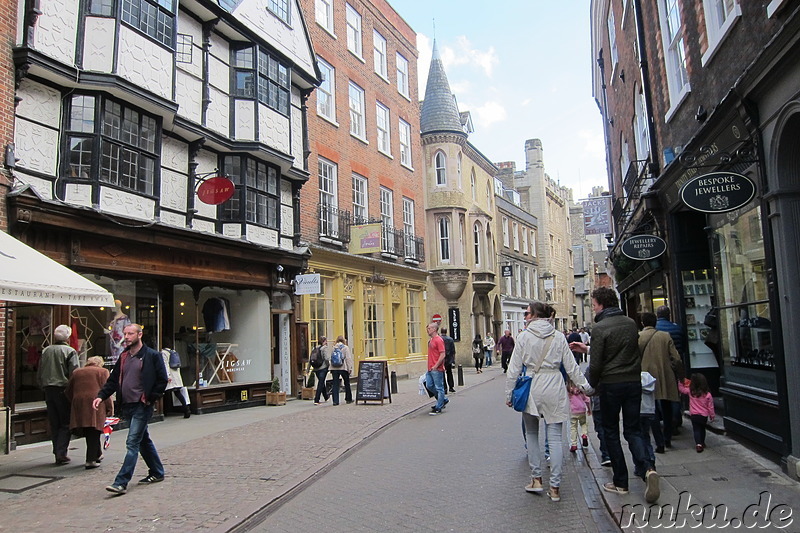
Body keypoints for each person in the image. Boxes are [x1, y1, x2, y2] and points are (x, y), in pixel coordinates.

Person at [570, 287, 660, 504]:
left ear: (601, 303)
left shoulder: (600, 327)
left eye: (593, 304)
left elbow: (598, 363)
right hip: (633, 383)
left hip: (611, 385)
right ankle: (647, 468)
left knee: (610, 431)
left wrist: (590, 386)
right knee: (633, 430)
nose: (592, 307)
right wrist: (588, 348)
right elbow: (627, 351)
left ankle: (621, 482)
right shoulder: (630, 323)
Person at [506, 301, 593, 503]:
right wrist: (586, 388)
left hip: (532, 385)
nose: (525, 316)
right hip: (554, 383)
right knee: (554, 438)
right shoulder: (558, 337)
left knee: (532, 434)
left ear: (535, 315)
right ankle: (555, 487)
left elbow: (514, 369)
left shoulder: (523, 337)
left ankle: (536, 479)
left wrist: (509, 394)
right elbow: (571, 367)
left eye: (527, 313)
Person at [93, 323, 168, 495]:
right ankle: (157, 472)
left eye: (130, 334)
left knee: (132, 442)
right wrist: (100, 396)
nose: (126, 337)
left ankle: (121, 482)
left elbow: (162, 380)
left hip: (142, 405)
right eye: (125, 334)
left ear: (139, 335)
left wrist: (150, 398)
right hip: (127, 405)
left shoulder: (152, 356)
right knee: (143, 440)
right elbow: (113, 381)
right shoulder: (124, 357)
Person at [639, 312, 681, 452]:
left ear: (643, 323)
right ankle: (667, 438)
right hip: (665, 375)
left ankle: (659, 442)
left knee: (652, 410)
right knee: (667, 406)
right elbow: (677, 358)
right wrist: (677, 372)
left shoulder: (638, 337)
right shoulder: (665, 336)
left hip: (646, 378)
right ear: (655, 322)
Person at [38, 324, 79, 465]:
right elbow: (74, 373)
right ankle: (61, 453)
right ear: (68, 337)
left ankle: (57, 451)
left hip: (49, 389)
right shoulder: (70, 351)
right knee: (65, 422)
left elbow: (40, 371)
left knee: (54, 421)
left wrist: (43, 385)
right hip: (63, 389)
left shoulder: (46, 351)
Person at [65, 356, 112, 469]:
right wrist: (110, 408)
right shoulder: (102, 371)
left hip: (79, 403)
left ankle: (97, 454)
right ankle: (90, 459)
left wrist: (75, 400)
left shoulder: (77, 372)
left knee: (89, 429)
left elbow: (68, 390)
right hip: (96, 402)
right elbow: (107, 390)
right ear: (100, 363)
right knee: (94, 429)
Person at [655, 305, 686, 431]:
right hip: (674, 366)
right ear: (669, 315)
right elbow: (682, 348)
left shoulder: (656, 330)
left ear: (657, 316)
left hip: (660, 366)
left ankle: (666, 419)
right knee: (674, 394)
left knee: (661, 394)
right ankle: (675, 419)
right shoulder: (677, 328)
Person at [678, 374, 715, 452]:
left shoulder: (691, 392)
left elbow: (682, 389)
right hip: (703, 416)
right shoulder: (708, 395)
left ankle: (698, 444)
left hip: (694, 415)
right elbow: (710, 407)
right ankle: (702, 442)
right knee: (702, 429)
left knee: (696, 430)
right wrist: (712, 415)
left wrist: (680, 382)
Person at [425, 322, 448, 415]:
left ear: (434, 329)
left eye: (429, 328)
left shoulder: (439, 340)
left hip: (436, 368)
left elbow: (442, 354)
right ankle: (443, 399)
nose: (428, 330)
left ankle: (439, 406)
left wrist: (436, 365)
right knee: (429, 385)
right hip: (430, 368)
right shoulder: (431, 340)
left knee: (439, 388)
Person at [161, 346, 191, 418]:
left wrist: (168, 376)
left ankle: (165, 411)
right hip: (176, 375)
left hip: (170, 376)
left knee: (164, 392)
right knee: (177, 393)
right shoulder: (173, 351)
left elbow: (165, 365)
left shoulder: (164, 353)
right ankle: (186, 408)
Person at [567, 379, 591, 453]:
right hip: (582, 410)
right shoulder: (581, 391)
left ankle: (574, 444)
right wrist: (589, 409)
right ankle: (584, 435)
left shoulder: (568, 392)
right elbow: (587, 400)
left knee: (573, 427)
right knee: (583, 424)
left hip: (573, 412)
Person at [639, 371, 657, 466]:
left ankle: (643, 463)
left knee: (638, 437)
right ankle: (651, 457)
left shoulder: (636, 379)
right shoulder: (650, 379)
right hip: (649, 411)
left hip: (639, 411)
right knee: (646, 436)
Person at [330, 335, 354, 405]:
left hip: (334, 368)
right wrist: (350, 368)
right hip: (343, 367)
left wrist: (331, 368)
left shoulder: (333, 348)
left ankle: (335, 401)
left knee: (335, 384)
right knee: (347, 383)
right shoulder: (345, 348)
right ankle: (348, 398)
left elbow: (330, 358)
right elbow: (348, 358)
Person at [312, 337, 330, 405]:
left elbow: (311, 359)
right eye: (326, 341)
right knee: (320, 383)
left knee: (321, 382)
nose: (326, 342)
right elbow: (326, 358)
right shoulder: (324, 348)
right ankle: (317, 399)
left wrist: (308, 369)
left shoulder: (315, 348)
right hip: (323, 368)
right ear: (324, 341)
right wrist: (328, 366)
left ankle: (326, 396)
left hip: (316, 368)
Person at [441, 328, 457, 393]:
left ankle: (445, 388)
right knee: (449, 373)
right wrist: (453, 359)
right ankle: (451, 387)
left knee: (442, 374)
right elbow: (453, 350)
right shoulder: (450, 339)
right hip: (449, 358)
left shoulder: (440, 339)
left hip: (442, 359)